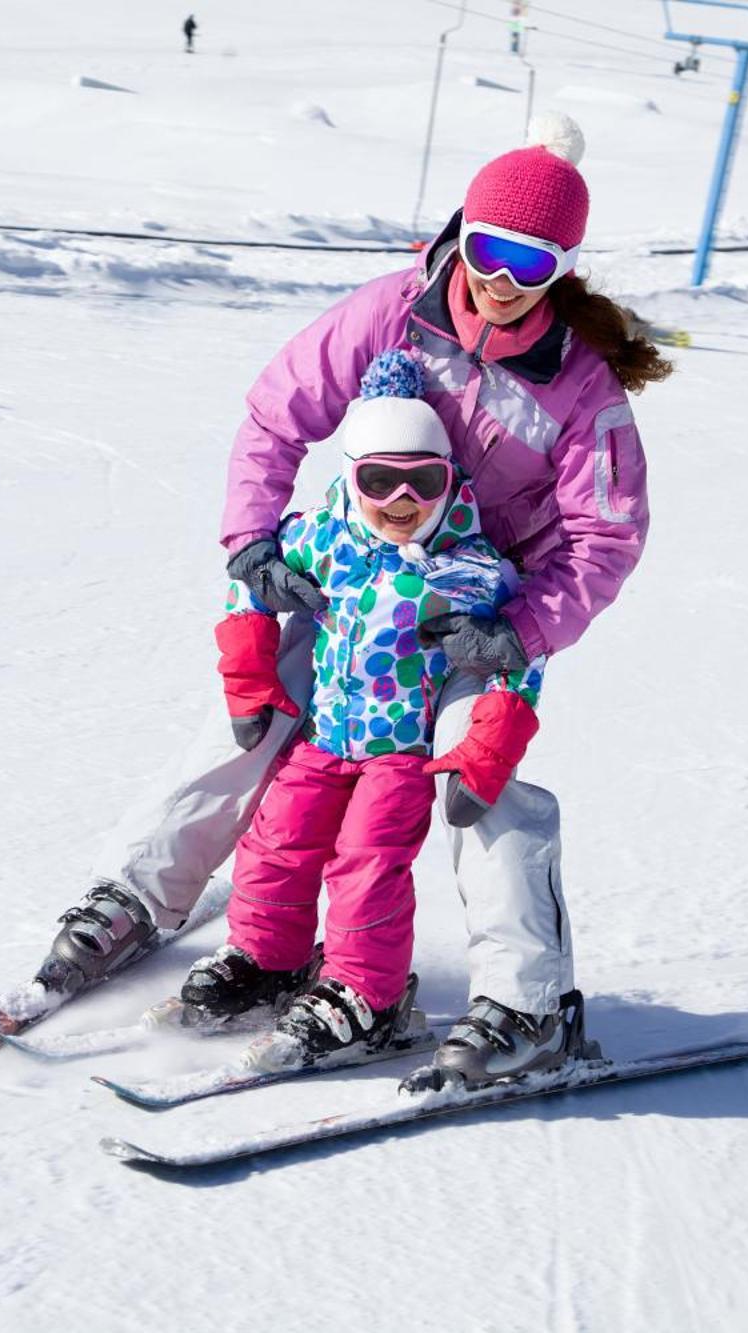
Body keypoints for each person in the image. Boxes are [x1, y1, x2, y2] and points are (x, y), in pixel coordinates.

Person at [34, 113, 670, 1089]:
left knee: (478, 782)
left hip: (481, 611)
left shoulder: (579, 389)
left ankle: (524, 1004)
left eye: (533, 262)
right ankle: (140, 896)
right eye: (491, 249)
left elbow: (604, 533)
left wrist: (520, 627)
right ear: (463, 232)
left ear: (564, 269)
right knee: (255, 720)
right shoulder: (390, 311)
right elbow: (275, 413)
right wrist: (253, 538)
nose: (503, 278)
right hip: (360, 575)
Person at [177, 350, 548, 1070]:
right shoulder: (322, 537)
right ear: (351, 476)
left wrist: (491, 738)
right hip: (323, 736)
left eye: (424, 480)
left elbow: (518, 654)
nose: (402, 498)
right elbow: (248, 579)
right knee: (275, 839)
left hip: (402, 752)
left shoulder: (467, 565)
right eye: (380, 479)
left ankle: (366, 994)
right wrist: (250, 667)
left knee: (367, 862)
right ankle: (267, 958)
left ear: (450, 480)